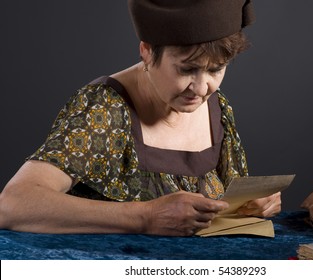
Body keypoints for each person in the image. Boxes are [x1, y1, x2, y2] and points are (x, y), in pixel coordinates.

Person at [0, 0, 281, 236]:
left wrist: (252, 205)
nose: (201, 88)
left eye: (216, 69)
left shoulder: (216, 106)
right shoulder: (106, 109)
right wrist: (146, 216)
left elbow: (227, 210)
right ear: (146, 51)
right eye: (186, 70)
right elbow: (13, 204)